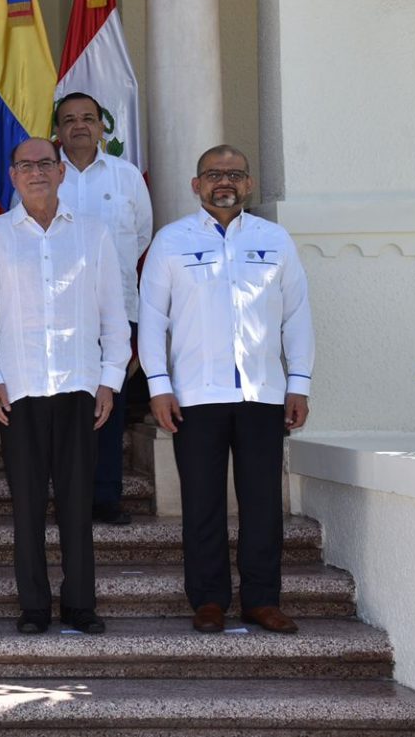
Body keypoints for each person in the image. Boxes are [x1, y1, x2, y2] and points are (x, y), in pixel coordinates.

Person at [139, 144, 314, 635]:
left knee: (263, 503)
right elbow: (152, 321)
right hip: (195, 396)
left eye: (235, 174)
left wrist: (298, 382)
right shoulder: (170, 242)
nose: (225, 182)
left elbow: (297, 315)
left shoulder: (275, 240)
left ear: (249, 184)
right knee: (202, 503)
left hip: (262, 394)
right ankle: (209, 599)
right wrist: (158, 385)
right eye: (214, 174)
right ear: (196, 185)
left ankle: (262, 599)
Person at [0, 137, 128, 636]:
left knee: (78, 504)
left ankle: (80, 604)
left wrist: (111, 380)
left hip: (80, 388)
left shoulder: (93, 234)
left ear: (61, 173)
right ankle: (34, 605)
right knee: (28, 505)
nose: (36, 172)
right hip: (19, 392)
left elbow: (114, 319)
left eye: (45, 164)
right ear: (11, 176)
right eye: (25, 165)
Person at [52, 93, 152, 526]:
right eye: (69, 120)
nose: (79, 126)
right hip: (56, 312)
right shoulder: (45, 175)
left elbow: (142, 234)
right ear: (56, 130)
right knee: (61, 408)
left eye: (88, 119)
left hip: (115, 308)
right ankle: (66, 496)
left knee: (108, 404)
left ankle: (106, 496)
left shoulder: (126, 176)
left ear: (102, 127)